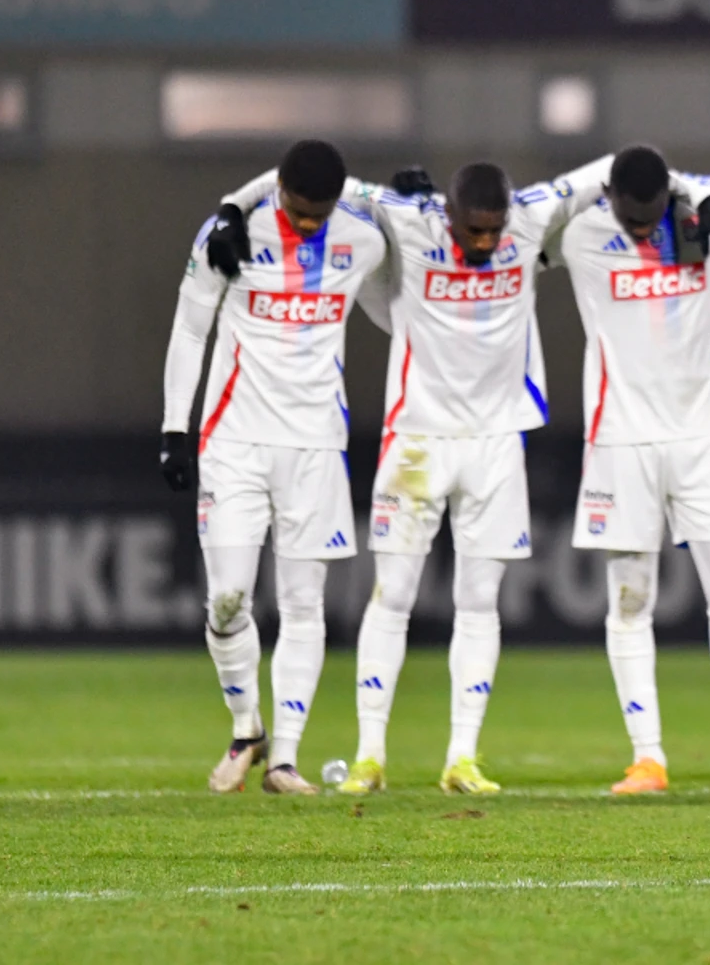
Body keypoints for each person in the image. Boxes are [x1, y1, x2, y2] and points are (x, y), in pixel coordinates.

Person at [219, 159, 614, 795]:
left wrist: (693, 203)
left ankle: (462, 758)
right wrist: (234, 208)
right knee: (392, 596)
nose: (486, 241)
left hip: (496, 444)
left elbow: (613, 168)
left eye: (495, 230)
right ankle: (369, 756)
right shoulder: (407, 218)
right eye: (473, 229)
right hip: (417, 444)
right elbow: (299, 173)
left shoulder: (530, 216)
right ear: (447, 213)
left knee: (480, 601)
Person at [159, 140, 388, 795]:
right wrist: (174, 428)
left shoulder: (363, 240)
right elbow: (191, 329)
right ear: (279, 188)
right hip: (233, 442)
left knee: (303, 603)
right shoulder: (232, 234)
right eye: (299, 209)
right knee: (227, 599)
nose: (310, 224)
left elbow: (403, 252)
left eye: (322, 213)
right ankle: (247, 729)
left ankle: (284, 758)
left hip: (315, 447)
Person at [556, 145, 710, 796]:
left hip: (704, 435)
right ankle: (647, 759)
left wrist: (700, 198)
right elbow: (524, 215)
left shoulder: (696, 217)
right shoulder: (580, 231)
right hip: (620, 441)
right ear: (610, 197)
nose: (644, 226)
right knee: (630, 601)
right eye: (632, 216)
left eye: (652, 214)